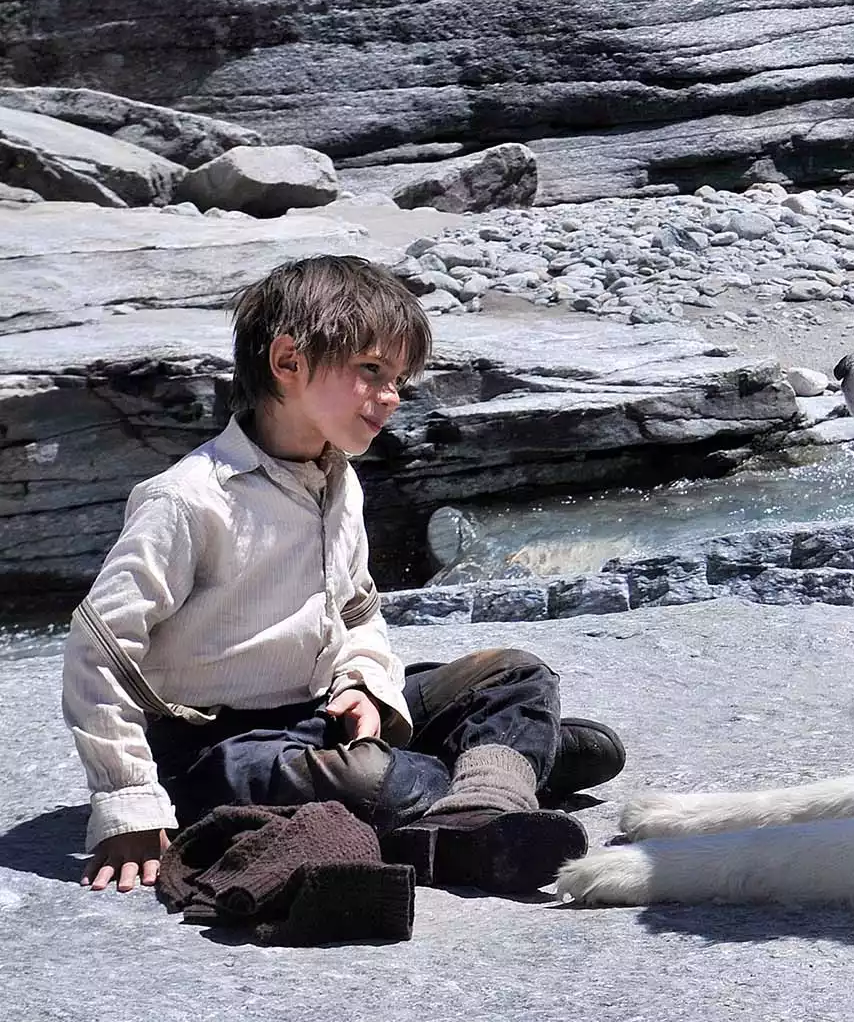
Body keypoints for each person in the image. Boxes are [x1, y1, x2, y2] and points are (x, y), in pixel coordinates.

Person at [63, 254, 625, 898]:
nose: (392, 396)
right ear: (288, 361)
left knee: (514, 672)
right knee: (365, 779)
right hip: (217, 747)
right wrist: (129, 803)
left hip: (321, 713)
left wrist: (364, 685)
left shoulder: (339, 480)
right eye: (371, 371)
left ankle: (481, 788)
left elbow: (358, 612)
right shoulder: (188, 499)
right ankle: (501, 769)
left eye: (399, 380)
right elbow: (98, 649)